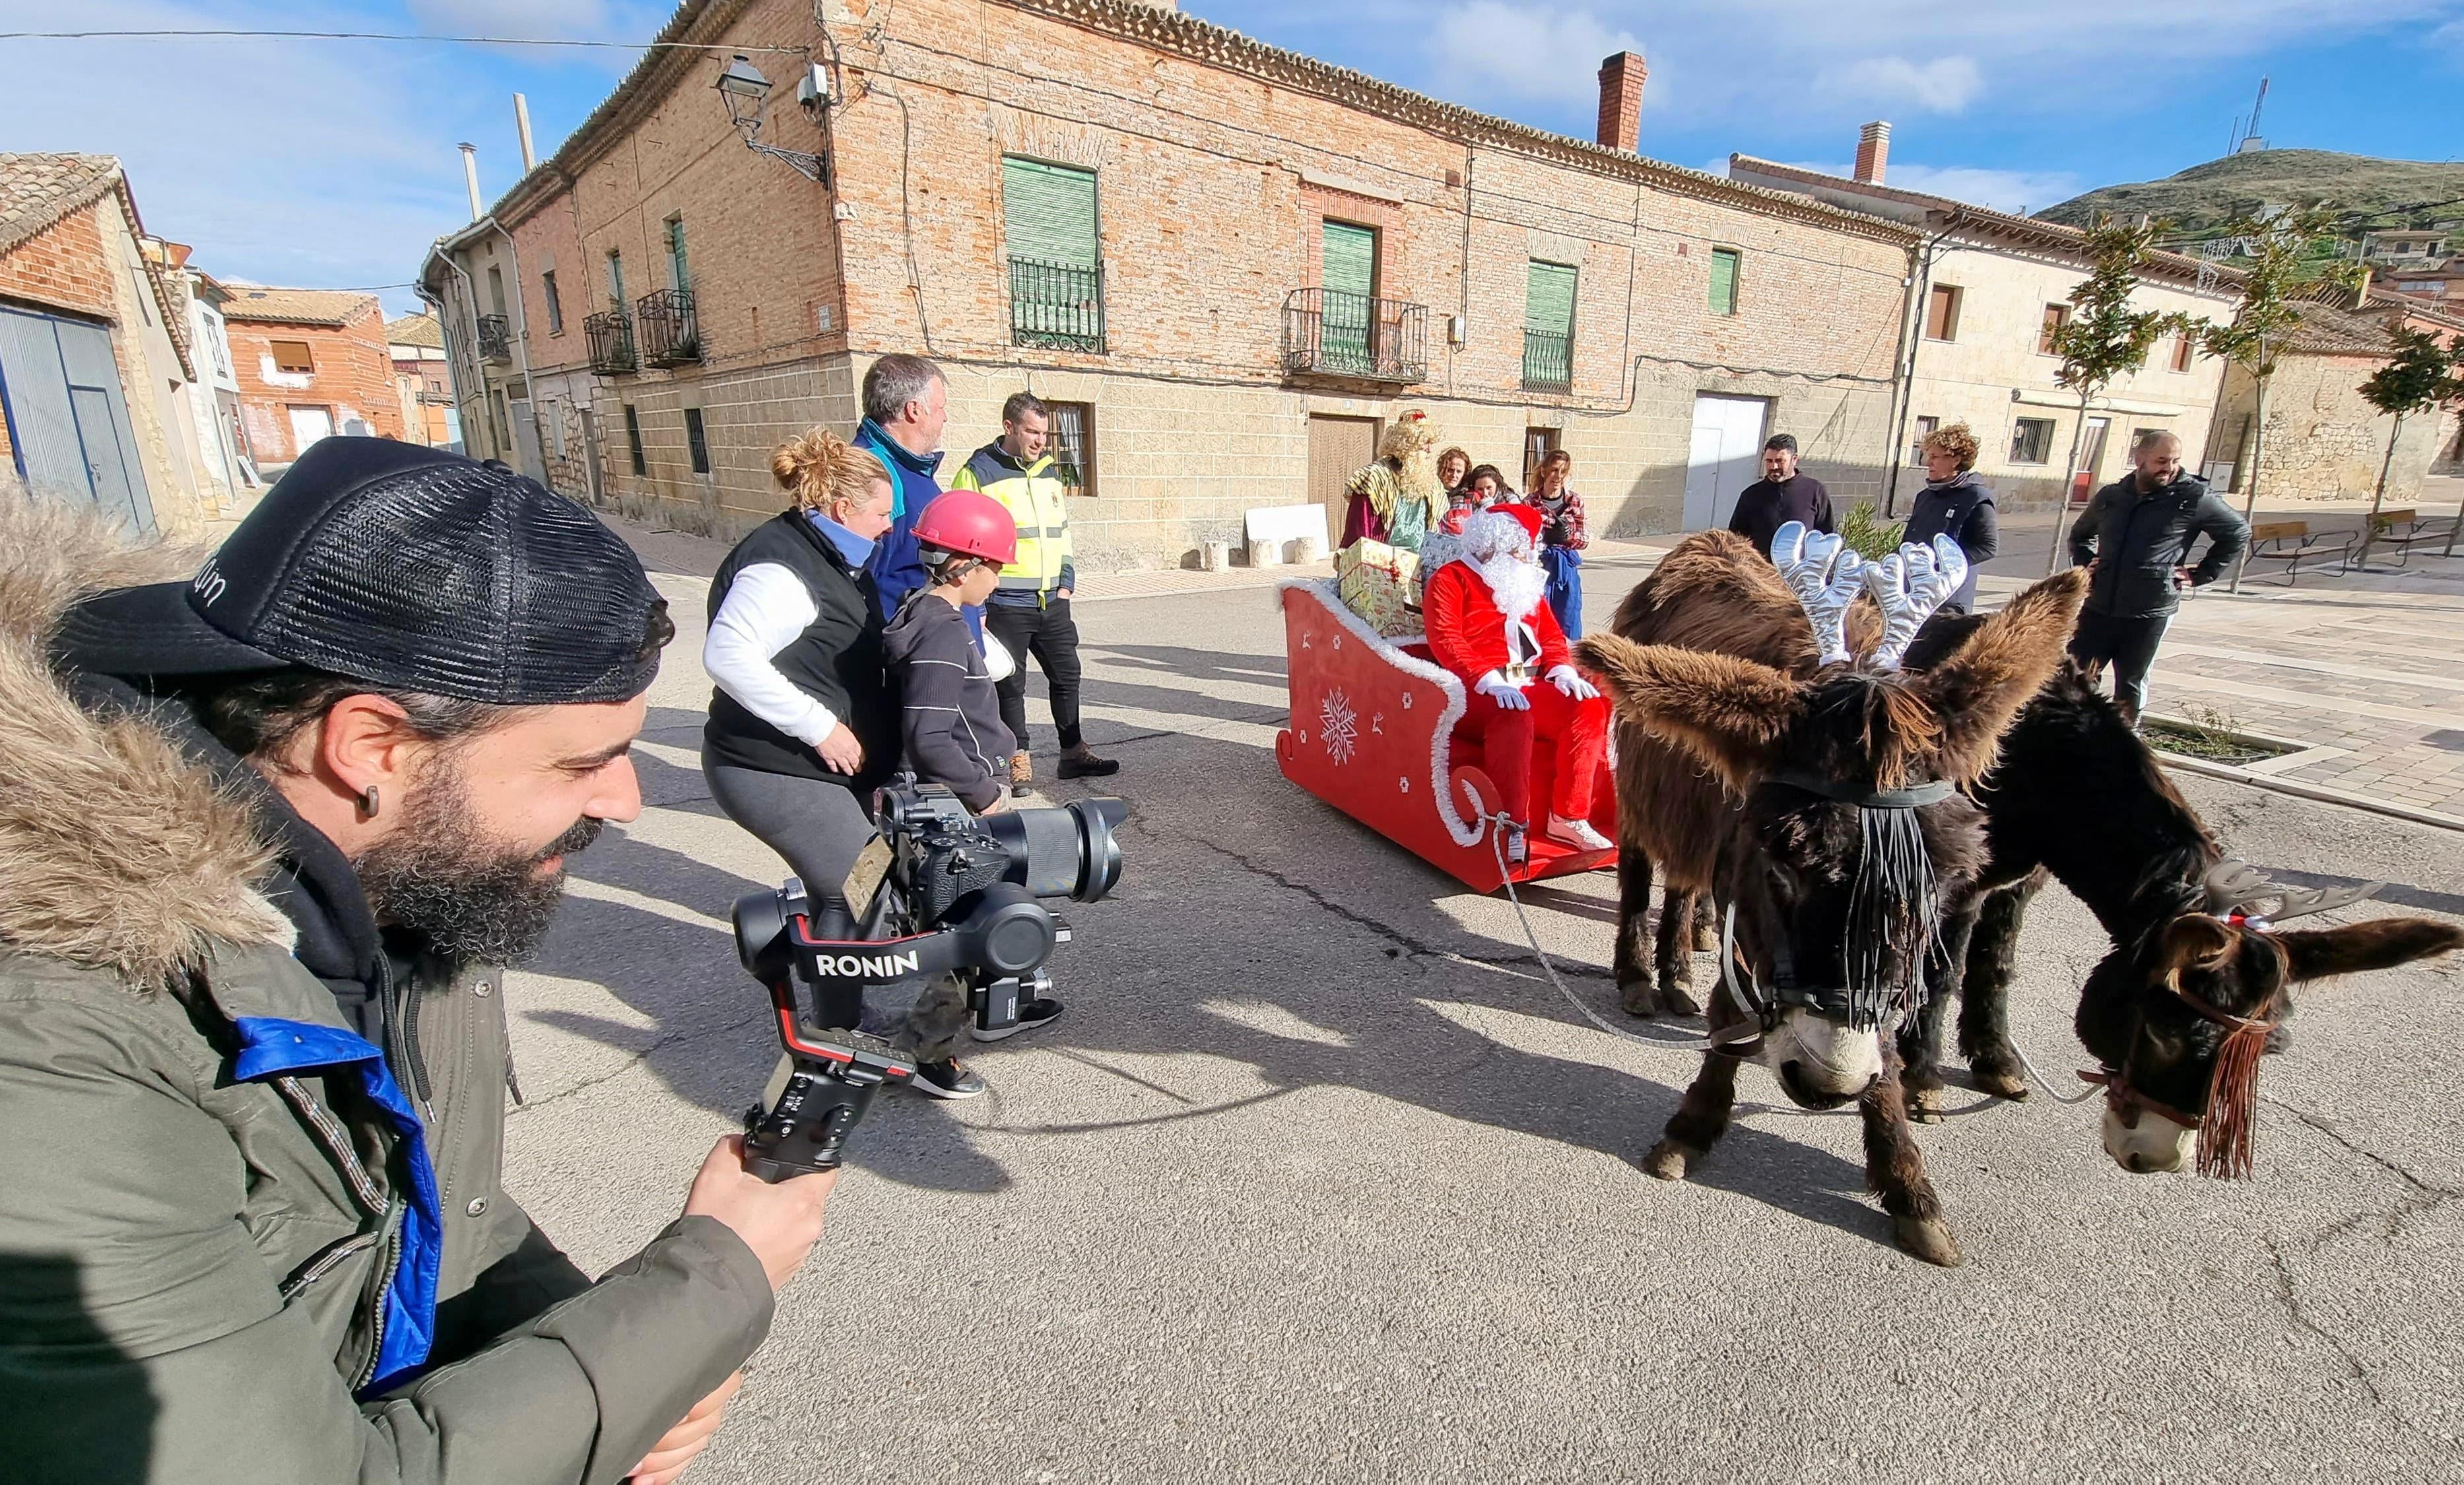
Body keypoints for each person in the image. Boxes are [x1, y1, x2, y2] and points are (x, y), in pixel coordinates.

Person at [3, 439, 834, 1484]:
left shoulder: (388, 893)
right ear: (373, 747)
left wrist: (629, 1367)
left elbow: (432, 1216)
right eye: (583, 760)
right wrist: (711, 1279)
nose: (625, 801)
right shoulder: (55, 1049)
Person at [882, 492, 1067, 1052]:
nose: (998, 580)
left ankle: (1001, 1006)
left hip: (946, 794)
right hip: (955, 801)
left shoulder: (920, 608)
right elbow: (929, 736)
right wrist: (984, 795)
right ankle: (926, 1049)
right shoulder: (941, 630)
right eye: (996, 568)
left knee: (996, 903)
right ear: (968, 565)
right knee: (976, 922)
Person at [950, 391, 1119, 795]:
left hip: (1052, 600)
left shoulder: (1048, 472)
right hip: (1005, 600)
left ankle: (1073, 753)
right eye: (1032, 431)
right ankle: (1018, 761)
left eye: (1045, 433)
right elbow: (962, 542)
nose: (1040, 441)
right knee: (1009, 685)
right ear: (1009, 427)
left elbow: (1061, 531)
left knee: (1067, 676)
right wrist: (979, 602)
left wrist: (1066, 580)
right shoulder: (977, 473)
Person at [1421, 504, 1613, 853]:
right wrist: (1487, 679)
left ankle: (1568, 818)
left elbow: (1552, 636)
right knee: (1512, 715)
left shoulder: (1522, 582)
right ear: (1495, 544)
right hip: (1473, 690)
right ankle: (1512, 824)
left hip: (1527, 681)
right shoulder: (1450, 580)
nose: (1527, 555)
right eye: (1521, 548)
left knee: (1587, 707)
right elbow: (1446, 639)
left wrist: (1562, 670)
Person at [2066, 429, 2248, 725]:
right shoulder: (2112, 496)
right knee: (2079, 676)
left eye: (2175, 460)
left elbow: (2237, 532)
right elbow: (2080, 534)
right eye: (2161, 460)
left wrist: (2200, 574)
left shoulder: (2193, 497)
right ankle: (2079, 735)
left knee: (2130, 683)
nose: (2169, 467)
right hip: (2098, 605)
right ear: (2139, 460)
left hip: (2149, 609)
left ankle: (2126, 743)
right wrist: (2086, 565)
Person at [853, 353, 951, 622]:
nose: (945, 418)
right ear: (914, 410)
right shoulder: (875, 473)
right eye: (941, 407)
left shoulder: (909, 466)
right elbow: (858, 583)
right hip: (905, 647)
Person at [1899, 422, 2000, 613]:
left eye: (1935, 457)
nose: (1928, 463)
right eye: (1928, 456)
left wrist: (1944, 567)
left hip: (1949, 603)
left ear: (1955, 460)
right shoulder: (1925, 496)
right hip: (1914, 594)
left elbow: (1988, 547)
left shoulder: (1976, 497)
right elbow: (1910, 541)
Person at [1339, 409, 1448, 553]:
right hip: (1382, 563)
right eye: (1425, 443)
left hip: (1420, 566)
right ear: (1407, 443)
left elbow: (1438, 530)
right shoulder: (1375, 477)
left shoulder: (1432, 483)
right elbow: (1360, 534)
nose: (1429, 450)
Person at [1725, 433, 1834, 558]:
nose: (1773, 466)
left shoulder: (1815, 491)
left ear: (1794, 459)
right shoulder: (1750, 495)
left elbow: (1827, 537)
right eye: (1769, 461)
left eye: (1779, 461)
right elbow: (1735, 540)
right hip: (1760, 574)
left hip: (1800, 574)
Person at [1526, 448, 1589, 636]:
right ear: (1544, 471)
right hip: (1540, 566)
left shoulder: (1575, 501)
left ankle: (1569, 662)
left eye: (1563, 472)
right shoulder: (1530, 503)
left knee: (1568, 620)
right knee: (1538, 620)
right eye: (1554, 470)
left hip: (1566, 570)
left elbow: (1584, 539)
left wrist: (1568, 537)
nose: (1558, 476)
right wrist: (1543, 538)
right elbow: (1522, 540)